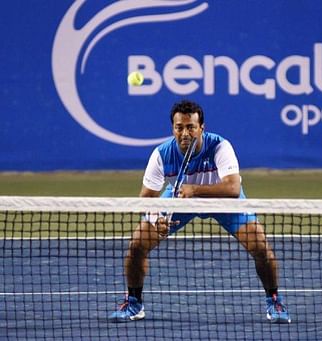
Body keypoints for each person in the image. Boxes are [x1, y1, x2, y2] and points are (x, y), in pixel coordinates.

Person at [109, 99, 290, 324]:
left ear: (201, 128)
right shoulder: (162, 154)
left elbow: (233, 188)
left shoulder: (220, 146)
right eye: (179, 127)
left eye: (191, 127)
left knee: (260, 246)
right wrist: (157, 220)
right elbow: (146, 198)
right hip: (180, 200)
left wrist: (194, 190)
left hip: (221, 200)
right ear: (173, 129)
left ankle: (274, 300)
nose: (185, 133)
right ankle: (134, 303)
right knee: (137, 245)